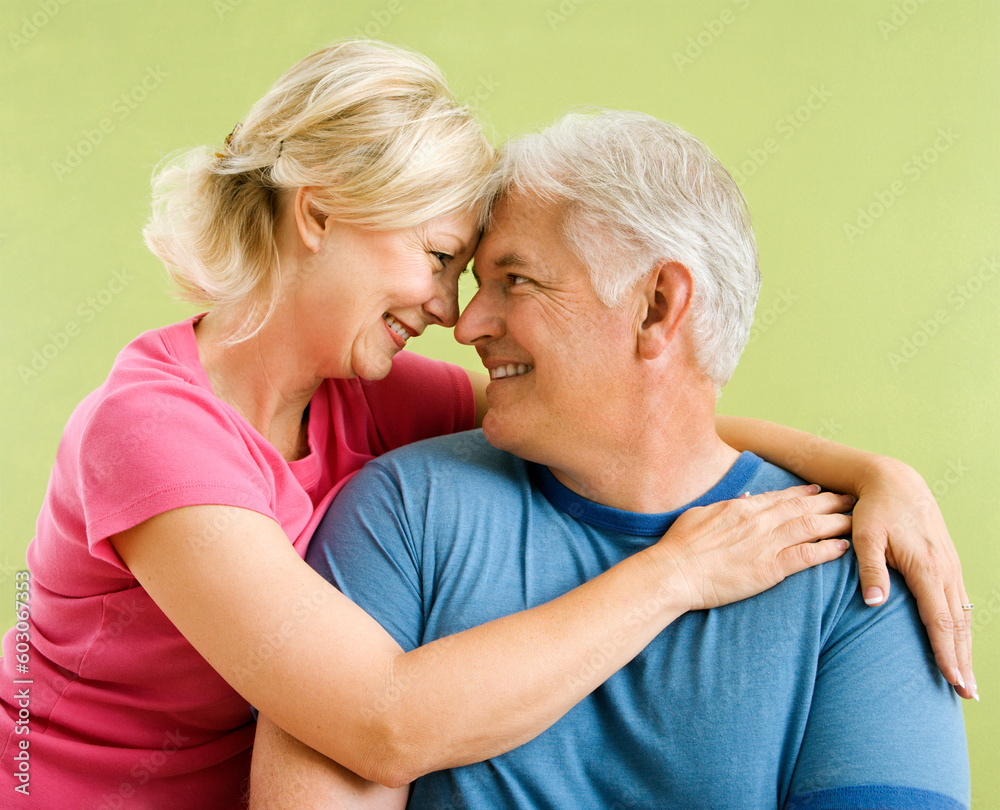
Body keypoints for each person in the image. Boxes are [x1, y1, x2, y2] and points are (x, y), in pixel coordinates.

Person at [0, 42, 970, 809]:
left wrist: (873, 471)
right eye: (436, 257)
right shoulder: (150, 431)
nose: (448, 311)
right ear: (319, 214)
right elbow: (380, 725)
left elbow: (630, 423)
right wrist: (675, 573)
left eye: (480, 277)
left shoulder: (371, 397)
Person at [251, 111, 971, 808]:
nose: (464, 325)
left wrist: (882, 475)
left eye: (516, 281)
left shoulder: (859, 570)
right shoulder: (401, 513)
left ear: (658, 306)